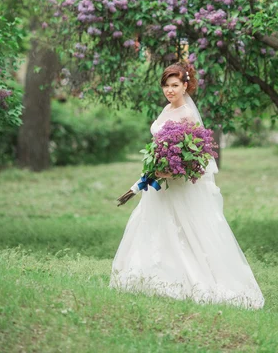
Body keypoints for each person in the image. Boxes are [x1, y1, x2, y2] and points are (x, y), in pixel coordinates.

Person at [109, 62, 265, 309]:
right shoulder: (167, 108)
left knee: (186, 230)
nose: (169, 90)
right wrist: (156, 169)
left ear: (185, 86)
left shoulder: (188, 115)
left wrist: (171, 170)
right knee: (155, 226)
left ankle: (191, 281)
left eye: (175, 85)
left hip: (178, 184)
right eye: (166, 85)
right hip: (159, 183)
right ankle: (149, 278)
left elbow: (196, 156)